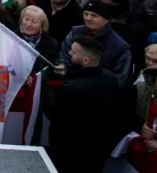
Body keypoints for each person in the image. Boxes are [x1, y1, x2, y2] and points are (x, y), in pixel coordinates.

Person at [43, 35, 121, 173]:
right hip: (97, 151)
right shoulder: (111, 79)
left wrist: (48, 94)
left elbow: (54, 113)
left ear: (86, 60)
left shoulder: (71, 89)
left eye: (74, 52)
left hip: (68, 152)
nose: (69, 53)